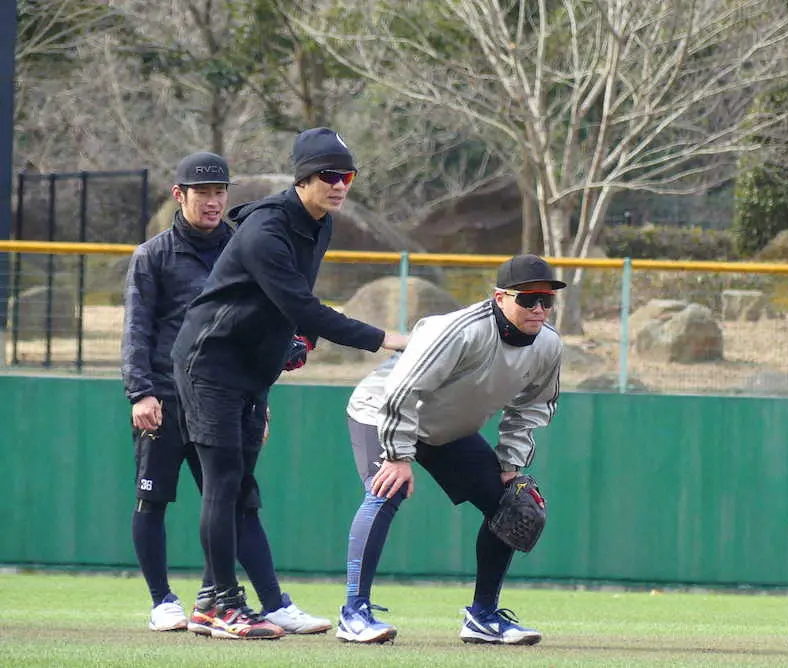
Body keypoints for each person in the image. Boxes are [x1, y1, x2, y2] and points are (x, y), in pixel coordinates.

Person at [170, 128, 408, 640]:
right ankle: (222, 607)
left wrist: (283, 356)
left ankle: (222, 600)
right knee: (224, 482)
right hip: (209, 364)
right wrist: (386, 337)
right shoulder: (266, 231)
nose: (340, 184)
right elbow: (300, 306)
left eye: (347, 175)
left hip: (251, 371)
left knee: (242, 490)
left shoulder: (320, 224)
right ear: (303, 179)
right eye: (329, 175)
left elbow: (292, 309)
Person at [121, 152, 332, 636]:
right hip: (166, 395)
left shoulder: (245, 244)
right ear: (180, 195)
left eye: (220, 192)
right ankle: (163, 601)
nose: (214, 201)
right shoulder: (152, 255)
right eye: (203, 192)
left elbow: (269, 317)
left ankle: (272, 602)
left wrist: (258, 393)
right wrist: (140, 393)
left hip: (226, 391)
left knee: (237, 498)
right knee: (152, 498)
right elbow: (136, 329)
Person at [336, 253, 565, 645]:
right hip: (383, 410)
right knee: (385, 490)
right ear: (499, 298)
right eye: (528, 299)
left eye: (547, 300)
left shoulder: (547, 345)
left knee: (507, 504)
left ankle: (483, 617)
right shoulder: (459, 331)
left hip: (445, 427)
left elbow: (532, 406)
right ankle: (354, 613)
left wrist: (510, 464)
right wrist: (397, 455)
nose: (539, 308)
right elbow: (403, 390)